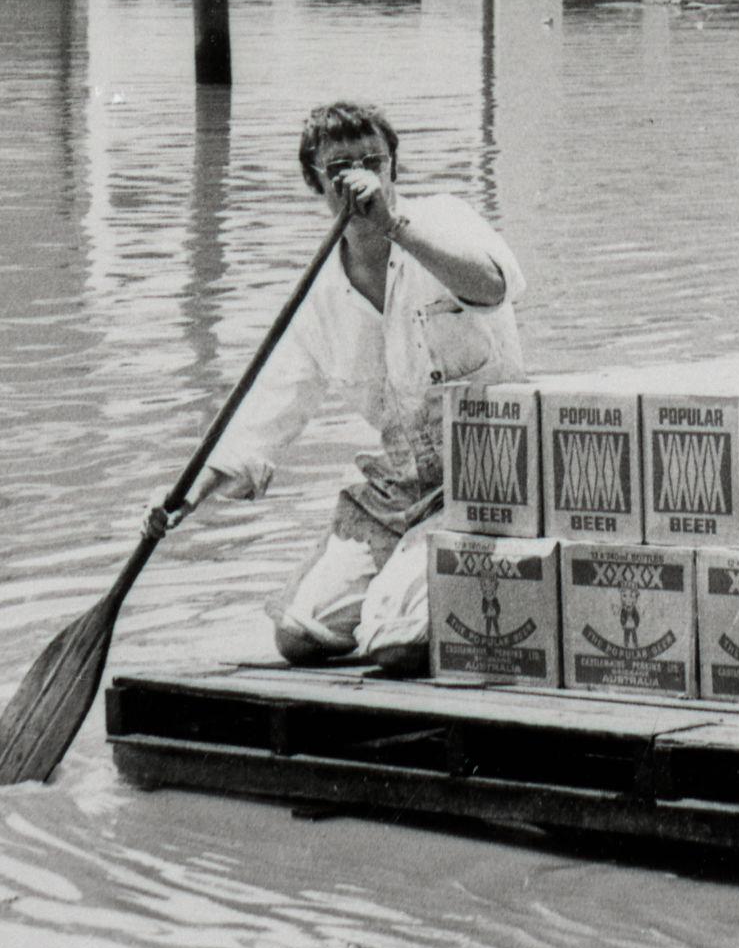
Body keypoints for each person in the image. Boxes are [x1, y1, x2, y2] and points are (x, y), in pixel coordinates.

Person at [165, 100, 526, 674]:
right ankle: (415, 583)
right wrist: (187, 495)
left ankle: (459, 594)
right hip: (400, 487)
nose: (357, 178)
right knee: (299, 634)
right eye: (338, 168)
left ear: (392, 171)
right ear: (316, 183)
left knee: (396, 642)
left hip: (493, 473)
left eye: (371, 161)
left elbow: (494, 285)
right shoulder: (317, 295)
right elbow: (268, 414)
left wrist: (394, 227)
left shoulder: (444, 219)